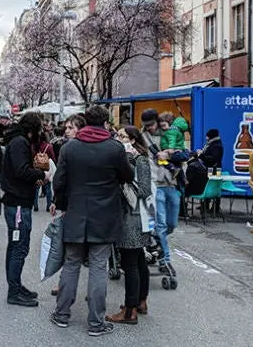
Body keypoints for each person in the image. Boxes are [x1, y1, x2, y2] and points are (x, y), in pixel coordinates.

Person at [50, 106, 133, 336]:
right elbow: (128, 176)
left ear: (85, 122)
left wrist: (63, 203)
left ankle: (62, 314)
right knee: (98, 267)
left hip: (76, 212)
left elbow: (59, 181)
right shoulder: (114, 148)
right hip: (105, 215)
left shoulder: (70, 147)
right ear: (106, 122)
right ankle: (96, 323)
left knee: (71, 264)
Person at [0, 112, 48, 307]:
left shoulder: (16, 141)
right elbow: (21, 170)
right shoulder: (20, 143)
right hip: (18, 202)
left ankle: (16, 285)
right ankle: (14, 291)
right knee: (19, 247)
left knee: (16, 246)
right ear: (33, 129)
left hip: (17, 200)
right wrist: (41, 174)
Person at [106, 126, 153, 325]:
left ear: (133, 140)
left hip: (133, 217)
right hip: (135, 216)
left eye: (123, 136)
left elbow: (144, 189)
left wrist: (125, 175)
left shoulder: (139, 159)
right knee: (139, 260)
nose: (119, 138)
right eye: (118, 135)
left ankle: (130, 310)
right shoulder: (132, 158)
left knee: (130, 263)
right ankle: (140, 302)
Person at [140, 108, 186, 276]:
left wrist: (169, 154)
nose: (149, 128)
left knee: (171, 224)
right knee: (160, 223)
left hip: (172, 184)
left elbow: (183, 153)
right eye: (146, 125)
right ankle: (165, 260)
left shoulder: (170, 133)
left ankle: (152, 242)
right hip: (155, 185)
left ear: (157, 122)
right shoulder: (143, 137)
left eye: (151, 125)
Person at [197, 128, 224, 213]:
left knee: (215, 186)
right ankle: (206, 205)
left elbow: (212, 158)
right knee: (208, 185)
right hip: (213, 168)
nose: (206, 138)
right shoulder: (212, 144)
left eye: (207, 136)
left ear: (211, 137)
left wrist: (201, 155)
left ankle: (215, 207)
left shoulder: (216, 145)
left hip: (214, 169)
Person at [32, 129, 56, 213]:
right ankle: (48, 205)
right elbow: (53, 158)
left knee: (36, 188)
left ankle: (35, 205)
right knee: (48, 188)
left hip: (37, 169)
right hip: (47, 169)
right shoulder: (48, 146)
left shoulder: (34, 146)